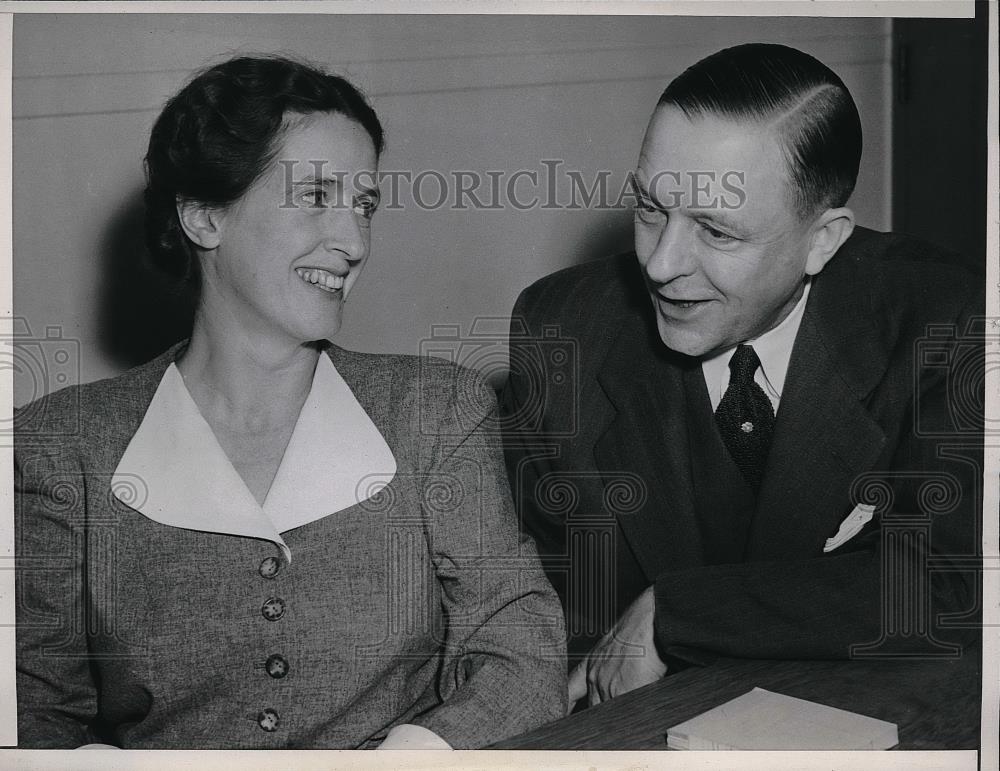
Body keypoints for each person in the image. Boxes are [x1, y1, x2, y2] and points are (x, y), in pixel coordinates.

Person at [15, 54, 566, 749]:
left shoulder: (437, 411)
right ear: (205, 215)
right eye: (316, 196)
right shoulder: (62, 446)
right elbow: (32, 716)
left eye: (364, 204)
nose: (354, 241)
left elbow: (523, 654)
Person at [501, 43, 982, 708]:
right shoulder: (561, 329)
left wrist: (681, 612)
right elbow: (545, 609)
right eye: (648, 208)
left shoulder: (944, 317)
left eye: (716, 232)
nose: (662, 263)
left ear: (823, 240)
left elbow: (948, 583)